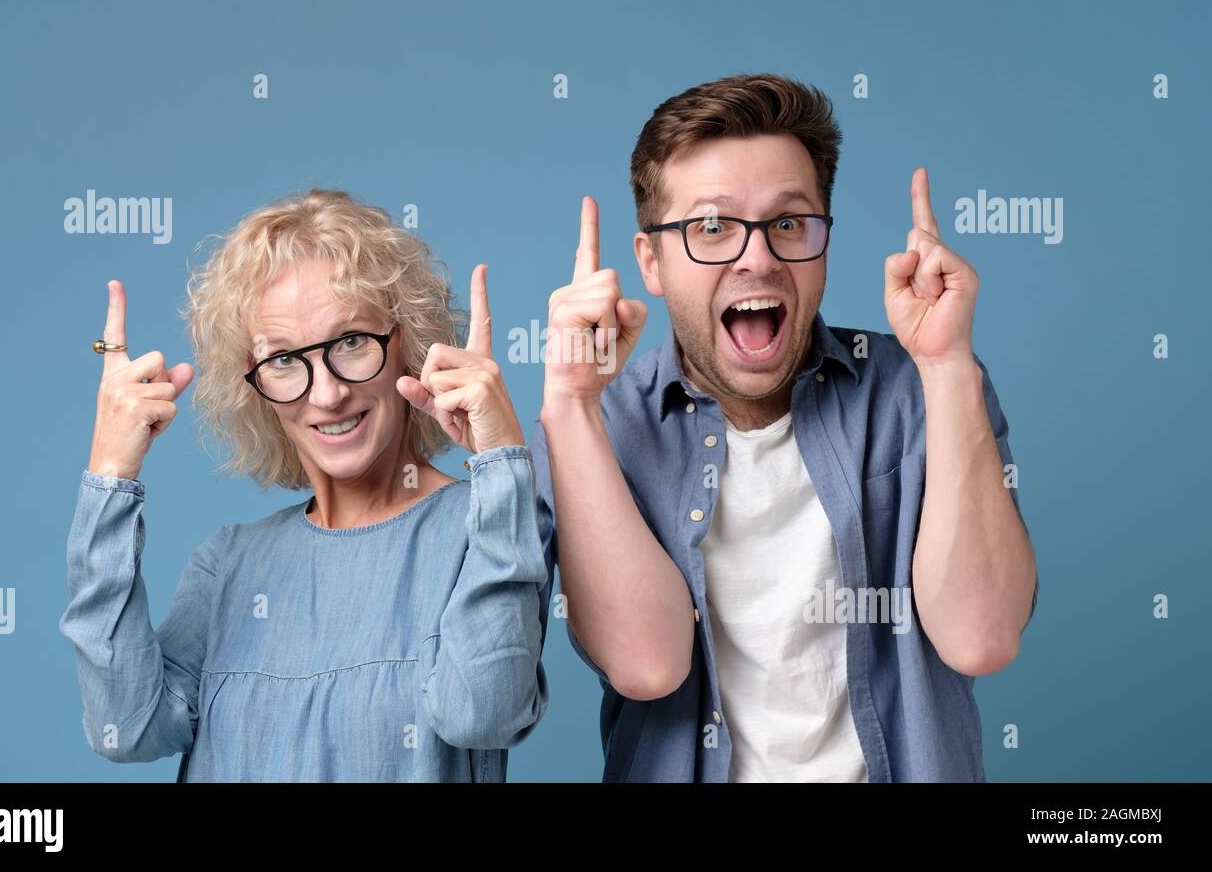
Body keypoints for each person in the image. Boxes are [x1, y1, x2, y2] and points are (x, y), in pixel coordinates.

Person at [532, 73, 1039, 782]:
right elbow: (645, 666)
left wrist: (949, 364)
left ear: (824, 240)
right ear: (651, 261)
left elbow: (981, 637)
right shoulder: (597, 426)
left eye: (789, 223)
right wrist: (571, 407)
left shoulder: (921, 389)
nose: (758, 258)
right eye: (711, 227)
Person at [60, 189, 548, 781]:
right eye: (284, 359)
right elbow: (127, 727)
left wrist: (500, 458)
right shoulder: (228, 563)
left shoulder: (484, 525)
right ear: (255, 388)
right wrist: (110, 475)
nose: (327, 393)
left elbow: (482, 714)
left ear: (408, 346)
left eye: (351, 342)